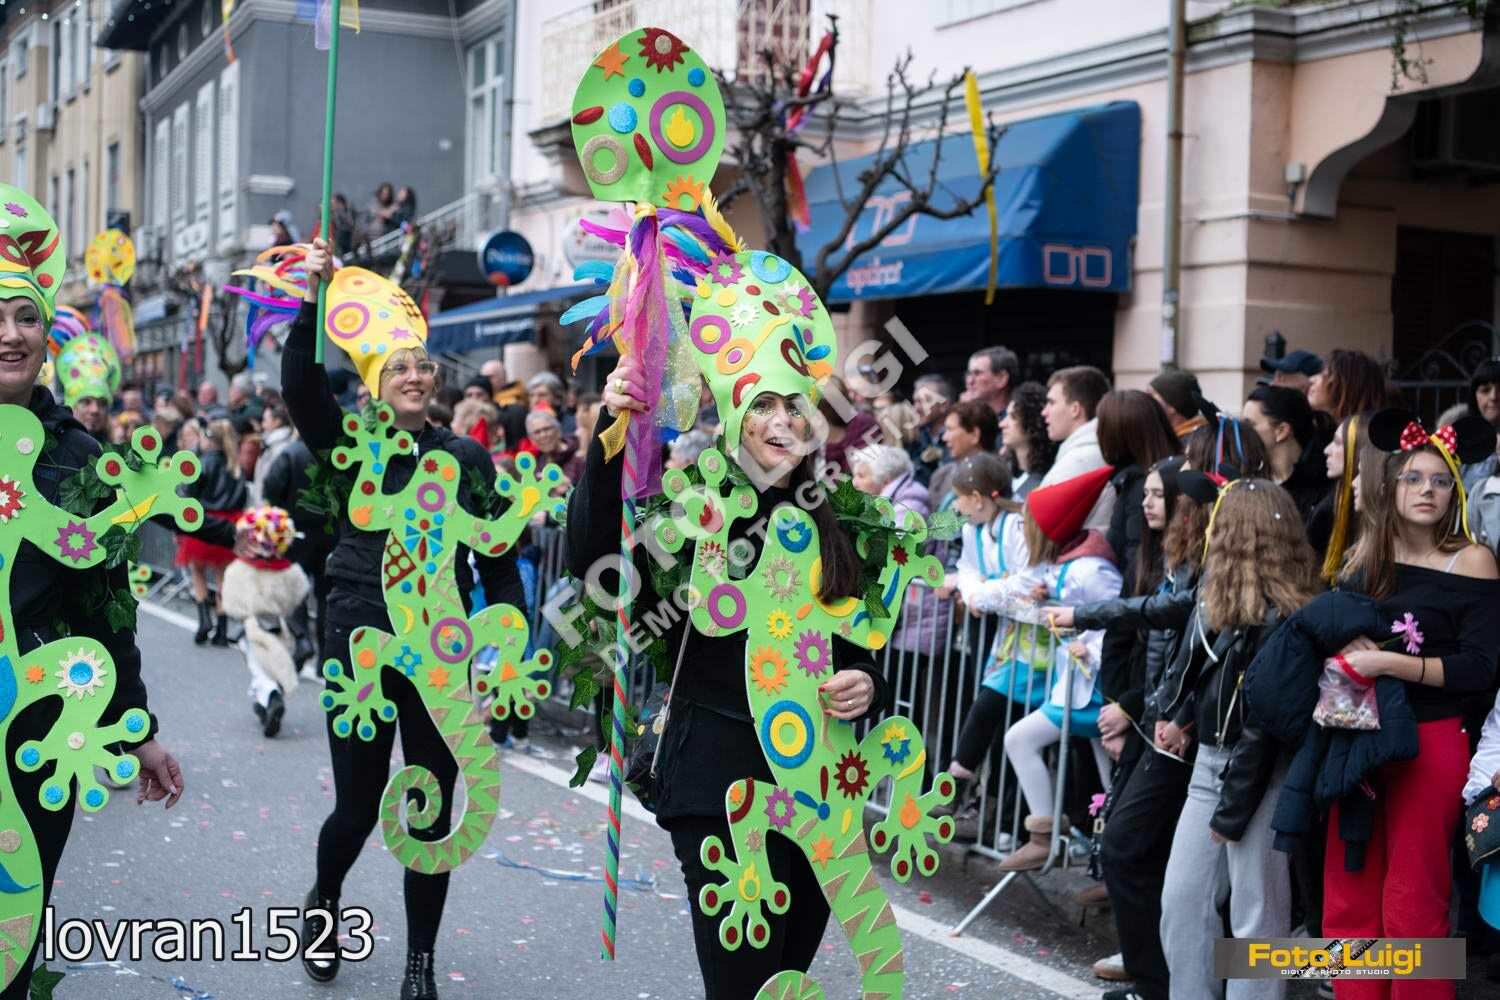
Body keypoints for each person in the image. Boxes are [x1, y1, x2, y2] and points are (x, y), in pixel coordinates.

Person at [567, 352, 892, 1000]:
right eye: (763, 405)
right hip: (716, 781)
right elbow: (594, 557)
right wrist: (612, 427)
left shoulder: (838, 522)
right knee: (743, 985)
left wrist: (867, 685)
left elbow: (857, 650)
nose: (781, 421)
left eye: (795, 406)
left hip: (816, 789)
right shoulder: (693, 510)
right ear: (734, 418)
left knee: (787, 981)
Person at [283, 239, 524, 999]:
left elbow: (498, 561)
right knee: (358, 810)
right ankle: (324, 903)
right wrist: (312, 301)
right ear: (373, 386)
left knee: (431, 809)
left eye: (422, 365)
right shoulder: (350, 448)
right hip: (360, 643)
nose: (415, 376)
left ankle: (420, 964)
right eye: (398, 368)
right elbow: (301, 390)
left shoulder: (467, 458)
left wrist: (508, 651)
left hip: (441, 648)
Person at [0, 186, 185, 997]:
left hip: (39, 722)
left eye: (26, 317)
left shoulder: (78, 457)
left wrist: (138, 728)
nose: (10, 333)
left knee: (16, 924)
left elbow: (107, 607)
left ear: (46, 336)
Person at [1322, 409, 1500, 1000]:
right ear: (1391, 486)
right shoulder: (1365, 557)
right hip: (1356, 732)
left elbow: (1480, 668)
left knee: (1414, 898)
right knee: (1349, 895)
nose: (1428, 490)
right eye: (1414, 478)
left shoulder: (1472, 559)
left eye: (1441, 480)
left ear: (1455, 492)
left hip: (1433, 741)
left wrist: (1389, 663)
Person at [993, 467, 1124, 872]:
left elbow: (1118, 621)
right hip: (1078, 684)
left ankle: (1048, 837)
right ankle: (1104, 862)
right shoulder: (1068, 564)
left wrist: (1091, 648)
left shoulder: (1092, 570)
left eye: (1027, 523)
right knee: (1111, 777)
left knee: (1021, 740)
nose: (1021, 530)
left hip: (1096, 687)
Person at [177, 418, 247, 646]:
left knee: (197, 570)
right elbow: (243, 497)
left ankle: (205, 620)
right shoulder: (235, 464)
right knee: (222, 575)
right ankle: (222, 630)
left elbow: (190, 494)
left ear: (209, 439)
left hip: (204, 521)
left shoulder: (202, 463)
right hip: (230, 522)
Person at [1040, 365, 1113, 528]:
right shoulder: (1093, 450)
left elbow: (1042, 528)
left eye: (1051, 403)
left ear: (1075, 409)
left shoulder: (1079, 460)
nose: (1044, 412)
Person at [1243, 384, 1329, 521]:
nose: (1240, 432)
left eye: (1249, 425)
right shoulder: (1250, 479)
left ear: (1281, 431)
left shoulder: (1323, 488)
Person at [929, 399, 999, 512]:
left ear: (974, 435)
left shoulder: (997, 478)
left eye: (950, 429)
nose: (944, 438)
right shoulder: (942, 476)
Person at [996, 381, 1055, 501]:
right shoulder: (1000, 474)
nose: (1002, 424)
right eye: (1006, 416)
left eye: (1013, 417)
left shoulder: (1048, 481)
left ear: (1033, 423)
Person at [1307, 349, 1390, 424]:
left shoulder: (1363, 434)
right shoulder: (1321, 428)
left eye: (1325, 374)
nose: (1311, 380)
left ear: (1346, 387)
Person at [909, 374, 955, 485]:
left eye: (924, 401)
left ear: (944, 405)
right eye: (915, 401)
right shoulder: (914, 437)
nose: (916, 408)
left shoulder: (959, 437)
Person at [1149, 368, 1209, 441]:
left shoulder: (1196, 442)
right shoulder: (1169, 437)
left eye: (1151, 395)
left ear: (1172, 406)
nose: (1145, 399)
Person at [251, 403, 295, 503]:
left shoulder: (280, 447)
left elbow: (273, 481)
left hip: (271, 506)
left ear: (277, 422)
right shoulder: (270, 443)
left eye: (265, 420)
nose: (262, 424)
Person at [963, 346, 1019, 416]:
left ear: (1001, 378)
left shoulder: (1021, 420)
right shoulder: (967, 417)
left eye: (977, 373)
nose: (970, 381)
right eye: (969, 373)